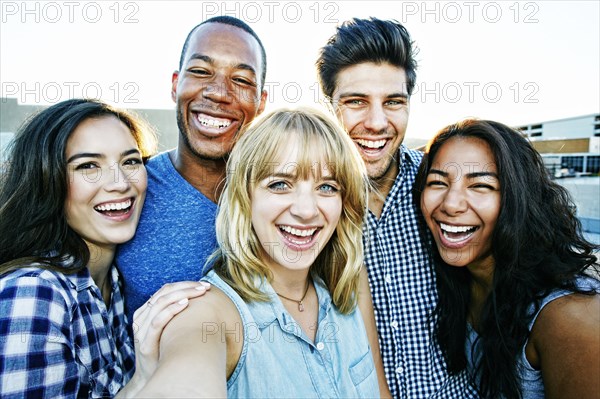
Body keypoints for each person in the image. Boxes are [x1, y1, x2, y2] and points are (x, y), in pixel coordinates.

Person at [131, 108, 388, 397]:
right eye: (280, 184)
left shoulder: (350, 284)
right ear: (245, 197)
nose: (306, 210)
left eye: (326, 187)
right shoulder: (211, 313)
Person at [0, 98, 209, 398]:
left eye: (130, 161)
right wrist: (143, 378)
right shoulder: (33, 294)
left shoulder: (115, 286)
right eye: (88, 166)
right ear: (47, 180)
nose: (120, 183)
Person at [316, 17, 478, 397]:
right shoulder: (305, 207)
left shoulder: (441, 188)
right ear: (330, 106)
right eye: (356, 102)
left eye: (393, 102)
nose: (376, 123)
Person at [414, 119, 600, 399]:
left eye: (481, 186)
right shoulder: (455, 280)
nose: (451, 204)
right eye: (438, 182)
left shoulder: (569, 316)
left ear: (518, 198)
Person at [116, 15, 268, 324]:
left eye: (241, 80)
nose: (219, 92)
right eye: (200, 71)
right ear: (175, 85)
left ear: (261, 101)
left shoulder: (285, 199)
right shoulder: (126, 191)